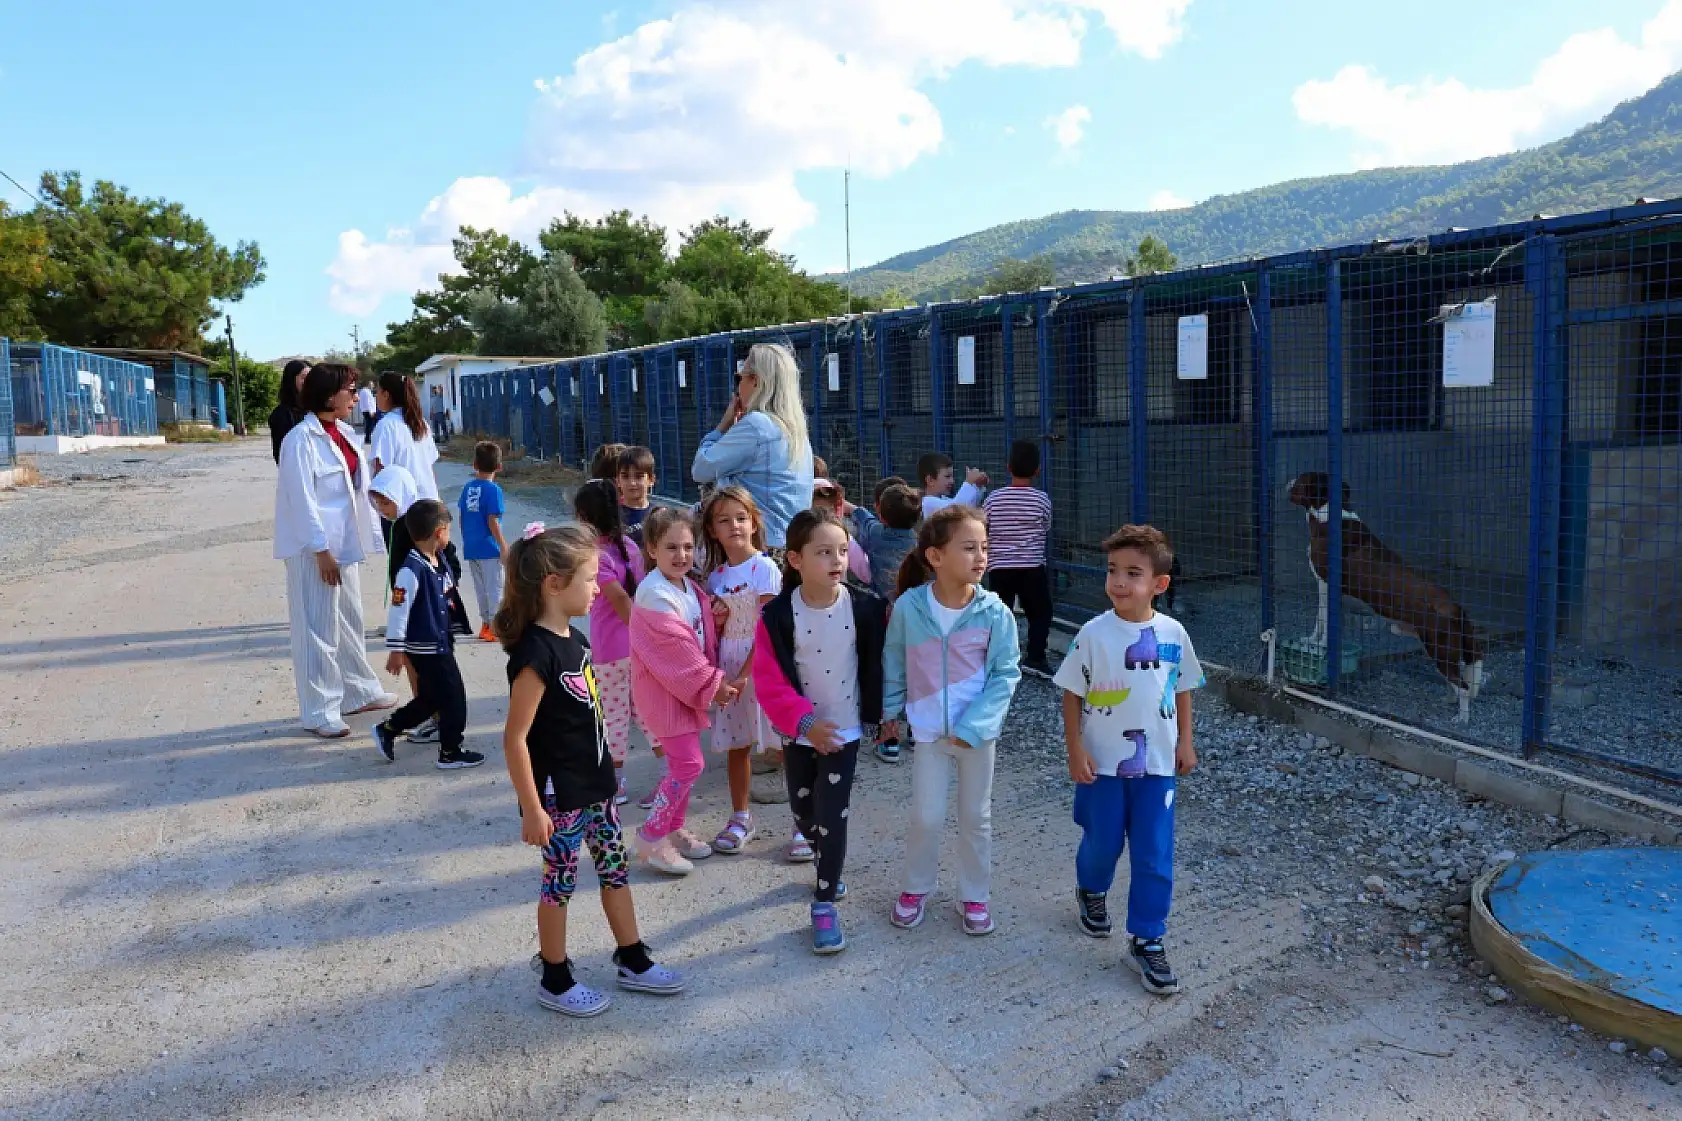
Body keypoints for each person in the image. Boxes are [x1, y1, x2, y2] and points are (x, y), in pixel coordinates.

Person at [498, 523, 686, 1016]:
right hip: (559, 799)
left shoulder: (577, 639)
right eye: (589, 578)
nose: (598, 588)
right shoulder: (534, 655)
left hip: (598, 788)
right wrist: (532, 809)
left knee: (615, 871)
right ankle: (556, 978)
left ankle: (632, 958)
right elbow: (515, 738)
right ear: (553, 585)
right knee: (558, 883)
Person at [1056, 524, 1203, 996]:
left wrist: (1185, 741)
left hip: (1156, 766)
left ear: (1159, 584)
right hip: (1102, 764)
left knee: (1154, 853)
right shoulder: (1094, 634)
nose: (1118, 582)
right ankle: (1091, 890)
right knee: (1102, 843)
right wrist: (1075, 748)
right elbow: (1072, 692)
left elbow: (1181, 687)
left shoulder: (1173, 633)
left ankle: (1147, 937)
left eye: (1132, 573)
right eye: (1113, 571)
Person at [751, 509, 888, 954]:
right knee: (804, 812)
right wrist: (805, 722)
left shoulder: (865, 608)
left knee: (833, 817)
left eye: (843, 551)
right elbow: (768, 679)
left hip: (843, 734)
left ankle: (825, 899)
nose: (837, 560)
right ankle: (822, 855)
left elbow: (883, 664)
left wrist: (886, 714)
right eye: (824, 551)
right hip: (799, 734)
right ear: (795, 558)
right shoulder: (776, 616)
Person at [884, 505, 1021, 936]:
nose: (981, 556)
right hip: (927, 733)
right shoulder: (909, 607)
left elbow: (1005, 674)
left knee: (975, 818)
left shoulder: (995, 611)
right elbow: (894, 661)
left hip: (977, 738)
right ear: (935, 557)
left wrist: (974, 727)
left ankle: (975, 895)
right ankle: (915, 888)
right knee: (926, 816)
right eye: (969, 547)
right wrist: (890, 713)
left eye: (984, 547)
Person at [273, 362, 395, 737]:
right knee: (317, 628)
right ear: (328, 396)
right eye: (351, 390)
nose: (357, 397)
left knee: (349, 619)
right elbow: (302, 500)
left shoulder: (344, 433)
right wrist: (320, 550)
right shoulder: (300, 440)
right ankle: (318, 709)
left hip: (344, 544)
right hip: (317, 549)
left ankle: (358, 690)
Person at [629, 507, 734, 875]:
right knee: (690, 763)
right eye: (671, 547)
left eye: (688, 547)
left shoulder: (687, 587)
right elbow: (676, 650)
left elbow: (695, 633)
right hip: (663, 692)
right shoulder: (653, 593)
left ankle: (673, 828)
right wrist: (712, 683)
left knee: (681, 764)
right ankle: (651, 835)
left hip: (681, 689)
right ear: (652, 549)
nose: (681, 555)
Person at [696, 486, 795, 860]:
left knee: (782, 744)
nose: (734, 525)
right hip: (728, 666)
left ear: (754, 522)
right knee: (738, 746)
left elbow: (767, 628)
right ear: (712, 530)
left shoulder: (765, 568)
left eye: (740, 517)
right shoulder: (717, 576)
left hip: (761, 667)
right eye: (724, 520)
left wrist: (748, 673)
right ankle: (740, 817)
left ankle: (803, 824)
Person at [371, 500, 483, 771]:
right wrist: (396, 650)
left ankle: (389, 728)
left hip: (439, 641)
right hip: (426, 647)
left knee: (432, 698)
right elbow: (399, 610)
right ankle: (450, 751)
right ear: (439, 532)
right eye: (449, 532)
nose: (449, 537)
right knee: (453, 695)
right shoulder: (410, 570)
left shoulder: (437, 560)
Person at [691, 342, 815, 551]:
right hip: (792, 545)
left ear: (755, 381)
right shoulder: (795, 431)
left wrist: (723, 425)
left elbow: (701, 469)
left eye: (739, 378)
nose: (738, 387)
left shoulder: (757, 425)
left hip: (760, 547)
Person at [573, 480, 646, 806]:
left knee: (613, 718)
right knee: (646, 714)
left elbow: (621, 603)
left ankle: (616, 783)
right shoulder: (629, 547)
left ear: (582, 516)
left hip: (611, 653)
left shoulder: (596, 556)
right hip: (637, 650)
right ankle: (670, 770)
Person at [983, 439, 1056, 678]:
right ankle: (1035, 658)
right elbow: (1045, 527)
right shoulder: (1042, 499)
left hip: (999, 567)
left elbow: (985, 525)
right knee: (1040, 613)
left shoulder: (993, 499)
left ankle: (999, 658)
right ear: (1037, 470)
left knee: (1000, 613)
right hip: (1031, 567)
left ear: (1008, 467)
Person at [458, 442, 508, 643]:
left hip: (472, 546)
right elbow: (492, 520)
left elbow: (461, 516)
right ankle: (495, 627)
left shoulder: (468, 488)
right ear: (499, 467)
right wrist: (503, 545)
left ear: (474, 465)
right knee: (495, 587)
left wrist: (466, 538)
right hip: (489, 548)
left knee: (480, 588)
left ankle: (486, 625)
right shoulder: (493, 490)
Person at [843, 477, 920, 603]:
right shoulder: (918, 543)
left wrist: (847, 505)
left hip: (881, 601)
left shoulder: (875, 534)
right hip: (912, 601)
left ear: (881, 515)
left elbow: (866, 520)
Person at [370, 373, 442, 504]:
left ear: (386, 394)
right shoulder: (421, 423)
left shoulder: (386, 425)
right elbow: (429, 467)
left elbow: (381, 472)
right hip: (430, 502)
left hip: (403, 507)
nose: (376, 397)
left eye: (377, 392)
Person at [918, 452, 987, 519]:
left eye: (952, 476)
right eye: (947, 476)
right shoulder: (928, 503)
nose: (952, 481)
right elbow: (957, 508)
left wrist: (977, 486)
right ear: (930, 480)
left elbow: (968, 508)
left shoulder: (945, 500)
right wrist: (969, 482)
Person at [268, 360, 310, 465]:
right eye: (304, 377)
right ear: (291, 380)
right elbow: (281, 455)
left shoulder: (316, 409)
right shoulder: (282, 414)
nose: (309, 382)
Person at [617, 446, 656, 544]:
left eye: (639, 476)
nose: (632, 483)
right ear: (618, 481)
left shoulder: (659, 515)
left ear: (651, 480)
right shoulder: (612, 516)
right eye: (625, 476)